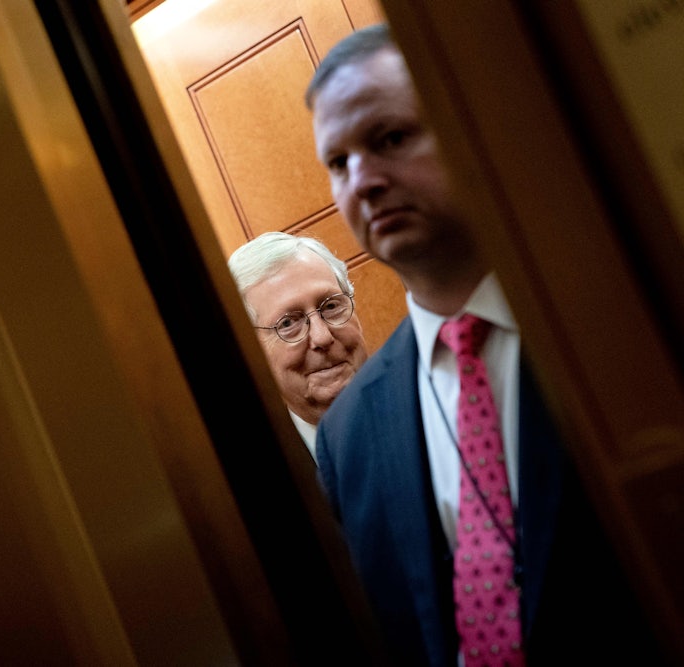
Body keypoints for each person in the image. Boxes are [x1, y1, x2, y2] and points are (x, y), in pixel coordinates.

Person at [307, 23, 668, 666]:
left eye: (390, 138)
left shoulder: (616, 320)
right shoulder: (350, 432)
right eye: (339, 162)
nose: (362, 180)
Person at [228, 232, 368, 462]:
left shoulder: (428, 404)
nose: (322, 337)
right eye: (288, 323)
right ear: (250, 349)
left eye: (332, 306)